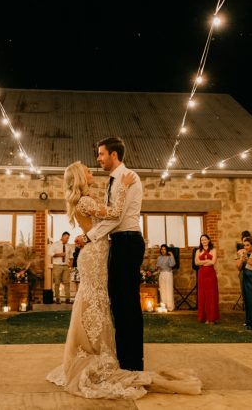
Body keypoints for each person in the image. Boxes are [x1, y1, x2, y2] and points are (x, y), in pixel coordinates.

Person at [46, 161, 201, 399]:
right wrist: (123, 188)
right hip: (95, 254)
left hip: (94, 252)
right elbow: (116, 213)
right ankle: (95, 351)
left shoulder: (84, 200)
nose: (91, 171)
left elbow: (99, 221)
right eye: (87, 170)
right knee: (94, 301)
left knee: (95, 301)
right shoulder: (86, 201)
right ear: (80, 177)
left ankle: (94, 349)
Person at [76, 137, 145, 371]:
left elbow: (115, 218)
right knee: (119, 304)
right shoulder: (113, 181)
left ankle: (134, 362)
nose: (98, 158)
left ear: (113, 155)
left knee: (128, 304)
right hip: (119, 243)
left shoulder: (128, 179)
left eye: (101, 154)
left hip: (127, 240)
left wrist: (88, 236)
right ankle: (124, 358)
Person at [195, 235, 220, 324]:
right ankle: (204, 317)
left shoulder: (213, 250)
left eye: (205, 239)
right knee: (203, 295)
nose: (204, 241)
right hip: (201, 274)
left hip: (210, 274)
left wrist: (202, 262)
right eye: (202, 240)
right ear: (200, 241)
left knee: (211, 295)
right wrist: (206, 261)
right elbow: (196, 262)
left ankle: (212, 318)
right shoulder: (198, 251)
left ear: (209, 240)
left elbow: (213, 262)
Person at [49, 232, 74, 304]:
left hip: (66, 266)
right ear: (62, 237)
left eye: (68, 238)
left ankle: (68, 299)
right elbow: (50, 253)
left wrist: (71, 264)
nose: (67, 239)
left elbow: (71, 256)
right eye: (66, 238)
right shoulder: (55, 244)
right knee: (57, 283)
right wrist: (59, 254)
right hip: (57, 265)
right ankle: (57, 299)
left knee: (67, 283)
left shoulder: (68, 246)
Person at [156, 244, 176, 311]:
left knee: (168, 289)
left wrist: (172, 255)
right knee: (162, 290)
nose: (163, 250)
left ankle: (170, 306)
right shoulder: (159, 257)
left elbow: (172, 264)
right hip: (161, 274)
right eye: (162, 249)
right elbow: (158, 268)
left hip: (168, 274)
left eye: (164, 249)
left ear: (166, 250)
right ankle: (163, 306)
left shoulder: (169, 257)